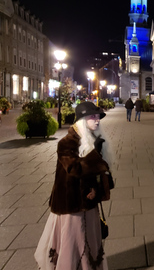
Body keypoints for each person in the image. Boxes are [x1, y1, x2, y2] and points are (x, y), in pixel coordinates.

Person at [34, 102, 114, 270]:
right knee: (73, 243)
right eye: (92, 117)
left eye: (98, 116)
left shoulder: (93, 139)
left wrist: (97, 189)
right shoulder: (67, 143)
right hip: (71, 205)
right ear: (82, 120)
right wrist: (95, 156)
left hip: (89, 203)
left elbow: (98, 174)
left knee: (90, 242)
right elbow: (74, 169)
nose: (97, 120)